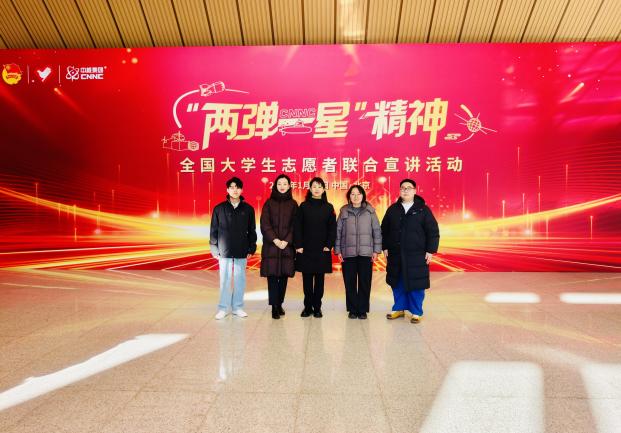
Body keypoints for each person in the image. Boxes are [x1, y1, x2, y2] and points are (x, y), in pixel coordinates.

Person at [381, 179, 439, 323]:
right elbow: (384, 230)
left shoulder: (423, 209)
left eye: (409, 188)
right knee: (397, 282)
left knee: (416, 283)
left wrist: (430, 250)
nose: (405, 190)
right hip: (395, 253)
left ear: (414, 190)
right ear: (399, 191)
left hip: (417, 254)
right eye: (403, 188)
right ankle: (399, 308)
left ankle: (416, 311)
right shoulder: (393, 209)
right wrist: (385, 246)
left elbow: (433, 231)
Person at [210, 177, 257, 320]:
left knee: (239, 279)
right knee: (224, 280)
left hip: (242, 248)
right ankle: (223, 308)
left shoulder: (248, 209)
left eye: (237, 187)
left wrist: (252, 248)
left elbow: (252, 230)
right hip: (223, 250)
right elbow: (213, 230)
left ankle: (237, 307)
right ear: (227, 190)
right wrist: (214, 248)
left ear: (242, 190)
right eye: (232, 187)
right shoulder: (219, 208)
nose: (235, 190)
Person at [335, 185, 382, 319]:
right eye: (353, 194)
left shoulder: (370, 211)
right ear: (349, 196)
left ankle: (362, 310)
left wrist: (376, 251)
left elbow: (377, 231)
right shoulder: (344, 211)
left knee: (364, 282)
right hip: (347, 253)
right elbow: (338, 232)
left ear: (363, 196)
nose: (355, 197)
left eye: (358, 194)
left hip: (366, 253)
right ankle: (352, 309)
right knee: (349, 282)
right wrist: (338, 250)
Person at [294, 177, 336, 318]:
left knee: (319, 281)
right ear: (310, 189)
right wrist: (299, 245)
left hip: (322, 249)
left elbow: (332, 229)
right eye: (314, 186)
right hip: (305, 249)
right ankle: (307, 307)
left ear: (323, 189)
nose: (317, 189)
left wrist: (329, 245)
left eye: (319, 186)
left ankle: (317, 307)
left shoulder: (328, 207)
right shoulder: (303, 206)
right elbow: (297, 227)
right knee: (307, 280)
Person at [260, 174, 298, 319]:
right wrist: (275, 240)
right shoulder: (269, 203)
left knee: (283, 277)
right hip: (272, 246)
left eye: (285, 184)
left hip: (287, 246)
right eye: (279, 184)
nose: (282, 186)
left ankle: (279, 303)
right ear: (275, 186)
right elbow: (265, 224)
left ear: (289, 186)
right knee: (272, 277)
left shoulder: (293, 204)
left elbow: (295, 225)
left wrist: (286, 241)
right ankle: (274, 307)